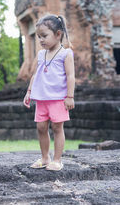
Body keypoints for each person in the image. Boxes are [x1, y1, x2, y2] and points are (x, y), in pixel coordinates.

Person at [23, 14, 75, 171]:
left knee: (58, 128)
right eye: (39, 37)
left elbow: (71, 76)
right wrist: (29, 92)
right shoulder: (41, 54)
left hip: (58, 99)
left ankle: (57, 160)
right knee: (41, 127)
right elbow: (36, 75)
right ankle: (45, 157)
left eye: (44, 36)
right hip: (42, 99)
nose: (41, 40)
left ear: (58, 34)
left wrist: (70, 96)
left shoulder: (65, 54)